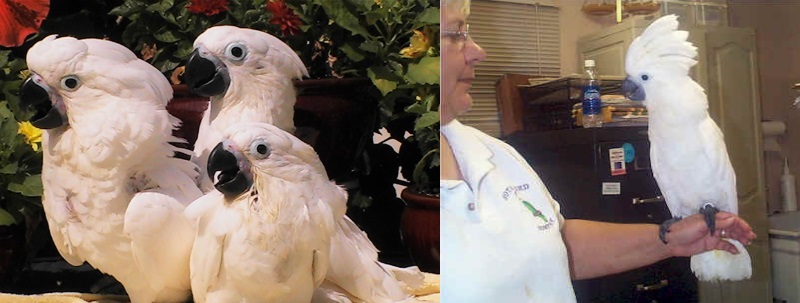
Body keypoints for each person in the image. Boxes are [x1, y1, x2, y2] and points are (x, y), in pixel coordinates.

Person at [439, 0, 757, 302]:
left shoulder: (500, 155)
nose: (478, 51)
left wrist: (670, 237)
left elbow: (554, 241)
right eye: (456, 33)